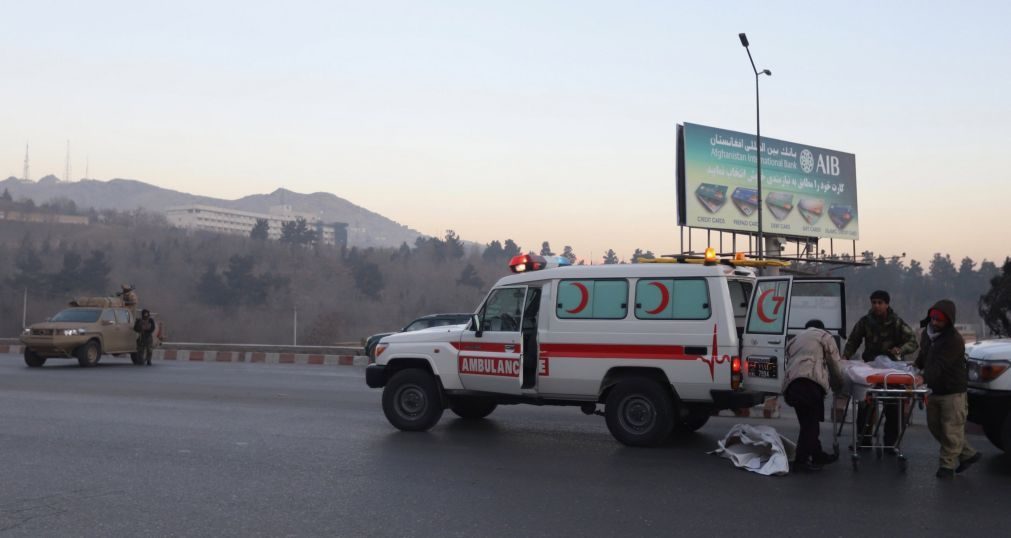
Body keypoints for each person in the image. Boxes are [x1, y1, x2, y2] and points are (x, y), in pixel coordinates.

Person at [913, 300, 981, 478]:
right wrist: (914, 366)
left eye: (939, 320)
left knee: (951, 429)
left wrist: (923, 377)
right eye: (933, 318)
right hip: (935, 390)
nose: (935, 323)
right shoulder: (927, 334)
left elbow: (940, 366)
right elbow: (924, 354)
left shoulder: (954, 340)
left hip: (953, 392)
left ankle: (947, 466)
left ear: (948, 321)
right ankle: (968, 454)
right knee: (936, 426)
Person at [842, 290, 918, 448]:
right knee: (865, 402)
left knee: (893, 404)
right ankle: (864, 439)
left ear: (887, 304)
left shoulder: (896, 322)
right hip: (871, 367)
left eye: (880, 302)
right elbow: (854, 340)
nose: (876, 305)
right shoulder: (866, 321)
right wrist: (845, 357)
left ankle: (891, 443)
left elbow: (912, 342)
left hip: (891, 369)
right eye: (874, 302)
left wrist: (900, 350)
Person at [783, 319, 845, 472]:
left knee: (808, 423)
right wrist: (839, 386)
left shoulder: (794, 339)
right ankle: (800, 462)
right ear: (821, 328)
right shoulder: (824, 337)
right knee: (810, 425)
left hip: (792, 385)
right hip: (810, 383)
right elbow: (835, 365)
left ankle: (817, 455)